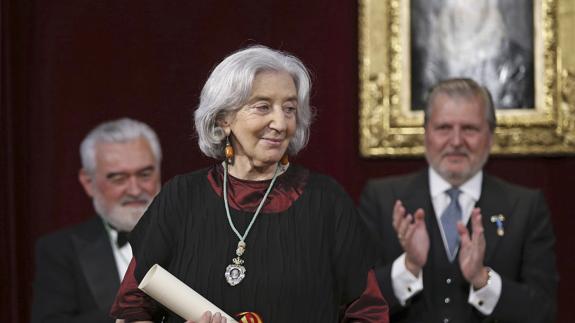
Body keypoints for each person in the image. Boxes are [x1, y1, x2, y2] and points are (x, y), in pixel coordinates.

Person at [110, 45, 389, 323]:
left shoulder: (326, 201)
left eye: (290, 108)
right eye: (263, 106)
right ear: (224, 119)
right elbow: (132, 309)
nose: (280, 123)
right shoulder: (180, 197)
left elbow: (367, 313)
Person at [359, 78, 558, 322]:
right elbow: (354, 304)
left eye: (469, 129)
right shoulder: (382, 199)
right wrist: (408, 267)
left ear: (490, 136)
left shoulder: (526, 206)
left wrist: (482, 280)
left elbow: (544, 311)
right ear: (426, 134)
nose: (455, 141)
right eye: (443, 128)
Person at [31, 118, 162, 323]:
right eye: (118, 178)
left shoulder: (195, 234)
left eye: (145, 174)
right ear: (88, 182)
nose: (135, 190)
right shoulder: (59, 250)